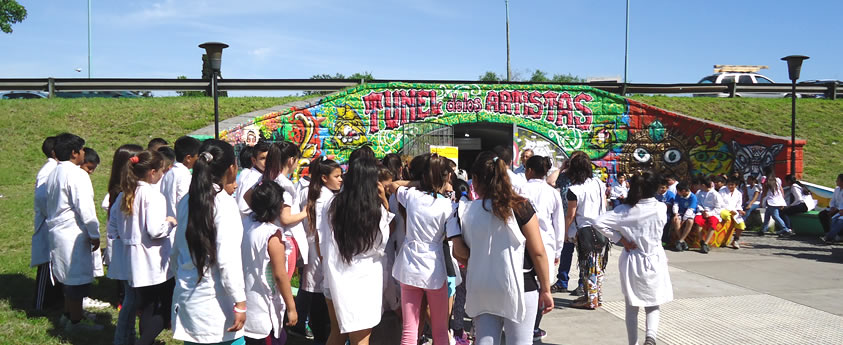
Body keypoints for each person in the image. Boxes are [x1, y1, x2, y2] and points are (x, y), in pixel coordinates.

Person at [447, 150, 553, 345]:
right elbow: (538, 252)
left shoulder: (466, 211)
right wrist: (546, 289)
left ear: (475, 180)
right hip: (521, 285)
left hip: (482, 285)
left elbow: (461, 254)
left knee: (485, 341)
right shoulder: (521, 207)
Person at [171, 139, 247, 345]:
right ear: (232, 168)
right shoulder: (224, 205)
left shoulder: (187, 200)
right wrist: (240, 301)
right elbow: (227, 261)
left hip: (189, 299)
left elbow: (176, 251)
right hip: (216, 306)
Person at [591, 171, 673, 345]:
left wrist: (621, 239)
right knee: (653, 302)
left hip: (633, 259)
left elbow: (598, 222)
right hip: (655, 257)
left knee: (632, 305)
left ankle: (633, 343)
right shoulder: (660, 208)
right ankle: (650, 336)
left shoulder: (624, 211)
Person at [320, 157, 393, 345]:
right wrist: (385, 203)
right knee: (361, 339)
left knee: (337, 333)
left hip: (335, 276)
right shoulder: (375, 209)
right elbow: (381, 244)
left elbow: (325, 241)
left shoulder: (332, 204)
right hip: (365, 280)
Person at [387, 154, 455, 345]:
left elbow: (393, 185)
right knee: (440, 331)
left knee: (409, 330)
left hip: (409, 266)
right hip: (435, 268)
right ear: (446, 177)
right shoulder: (447, 205)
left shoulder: (412, 196)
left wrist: (418, 181)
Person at [120, 150, 178, 345]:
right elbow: (155, 230)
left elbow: (117, 227)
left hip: (133, 258)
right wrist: (169, 222)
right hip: (153, 260)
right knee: (164, 306)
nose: (163, 175)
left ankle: (147, 341)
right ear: (152, 172)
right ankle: (143, 342)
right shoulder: (153, 196)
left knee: (147, 305)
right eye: (161, 170)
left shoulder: (127, 193)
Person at [45, 133, 102, 331]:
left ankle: (68, 314)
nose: (84, 153)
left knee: (67, 277)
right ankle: (76, 322)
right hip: (72, 232)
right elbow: (85, 207)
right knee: (76, 279)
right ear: (74, 153)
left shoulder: (54, 172)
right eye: (82, 150)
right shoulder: (77, 174)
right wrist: (94, 233)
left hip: (57, 231)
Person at [291, 157, 342, 343]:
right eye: (336, 176)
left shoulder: (322, 194)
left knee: (317, 297)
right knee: (320, 301)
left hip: (319, 254)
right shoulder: (322, 198)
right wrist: (323, 258)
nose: (340, 179)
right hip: (320, 254)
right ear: (323, 177)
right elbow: (320, 232)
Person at [242, 180, 298, 345]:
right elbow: (280, 275)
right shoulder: (272, 235)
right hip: (264, 309)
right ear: (278, 205)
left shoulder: (246, 223)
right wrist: (291, 307)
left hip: (248, 304)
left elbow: (247, 195)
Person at [519, 155, 564, 341]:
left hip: (523, 244)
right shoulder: (552, 192)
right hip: (546, 244)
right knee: (541, 287)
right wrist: (558, 250)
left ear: (529, 170)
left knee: (526, 285)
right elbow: (558, 223)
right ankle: (534, 326)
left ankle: (521, 322)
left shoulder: (521, 189)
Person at [104, 144, 144, 345]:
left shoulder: (120, 190)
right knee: (130, 300)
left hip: (125, 251)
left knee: (131, 299)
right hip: (128, 252)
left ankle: (128, 337)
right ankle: (122, 339)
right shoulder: (123, 192)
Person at [565, 151, 608, 308]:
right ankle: (596, 297)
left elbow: (571, 215)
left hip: (584, 231)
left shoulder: (574, 189)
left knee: (587, 266)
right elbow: (603, 205)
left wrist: (564, 233)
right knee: (598, 265)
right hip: (601, 229)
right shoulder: (598, 183)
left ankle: (591, 300)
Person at [33, 136, 60, 311]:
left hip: (53, 223)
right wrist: (52, 215)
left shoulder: (57, 168)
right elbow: (42, 197)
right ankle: (39, 305)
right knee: (46, 266)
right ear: (54, 152)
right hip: (47, 223)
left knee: (54, 265)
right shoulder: (49, 169)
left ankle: (54, 302)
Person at [551, 159, 577, 294]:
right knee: (565, 252)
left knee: (584, 256)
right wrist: (561, 168)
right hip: (566, 219)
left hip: (580, 221)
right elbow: (550, 182)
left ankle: (583, 284)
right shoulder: (564, 177)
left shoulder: (587, 180)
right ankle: (562, 281)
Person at [160, 136, 201, 219]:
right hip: (178, 221)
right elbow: (183, 200)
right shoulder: (184, 174)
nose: (198, 159)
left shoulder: (169, 172)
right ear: (188, 158)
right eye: (197, 156)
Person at [236, 141, 270, 221]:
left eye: (269, 158)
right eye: (262, 158)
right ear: (254, 160)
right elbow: (243, 206)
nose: (266, 161)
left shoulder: (261, 176)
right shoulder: (252, 178)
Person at [692, 176, 725, 254]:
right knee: (698, 220)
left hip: (713, 212)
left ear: (703, 185)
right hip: (702, 211)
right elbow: (698, 203)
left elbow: (718, 207)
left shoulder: (715, 194)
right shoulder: (699, 192)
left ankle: (706, 243)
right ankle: (701, 241)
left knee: (713, 222)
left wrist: (709, 213)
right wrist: (702, 210)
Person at [758, 167, 790, 236]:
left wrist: (761, 202)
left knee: (775, 216)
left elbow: (764, 193)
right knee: (767, 215)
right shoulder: (777, 180)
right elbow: (781, 190)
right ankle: (763, 229)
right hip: (777, 200)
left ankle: (785, 229)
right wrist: (782, 200)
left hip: (771, 201)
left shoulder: (766, 181)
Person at [720, 177, 747, 249]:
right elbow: (720, 202)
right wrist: (729, 210)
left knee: (741, 225)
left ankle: (735, 240)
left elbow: (738, 205)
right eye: (728, 184)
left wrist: (740, 210)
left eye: (732, 185)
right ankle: (722, 239)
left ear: (736, 185)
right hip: (723, 209)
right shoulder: (722, 190)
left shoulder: (738, 193)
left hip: (734, 212)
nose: (730, 186)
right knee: (726, 216)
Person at [672, 183, 698, 252]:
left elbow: (690, 209)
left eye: (678, 190)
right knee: (676, 220)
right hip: (680, 212)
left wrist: (684, 219)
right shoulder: (678, 195)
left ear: (683, 191)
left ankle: (680, 241)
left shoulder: (693, 197)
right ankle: (682, 240)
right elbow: (676, 204)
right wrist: (675, 214)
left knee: (690, 221)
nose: (677, 192)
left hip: (690, 214)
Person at [819, 174, 843, 243]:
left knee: (837, 220)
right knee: (823, 214)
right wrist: (832, 207)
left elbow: (842, 203)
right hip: (836, 208)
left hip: (840, 209)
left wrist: (837, 209)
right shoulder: (837, 189)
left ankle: (836, 236)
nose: (836, 181)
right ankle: (828, 233)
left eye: (838, 180)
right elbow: (833, 200)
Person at [655, 178, 678, 246]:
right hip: (656, 212)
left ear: (667, 188)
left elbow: (667, 206)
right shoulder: (656, 194)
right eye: (659, 187)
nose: (661, 189)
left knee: (666, 221)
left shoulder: (670, 195)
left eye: (663, 188)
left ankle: (664, 239)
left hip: (667, 213)